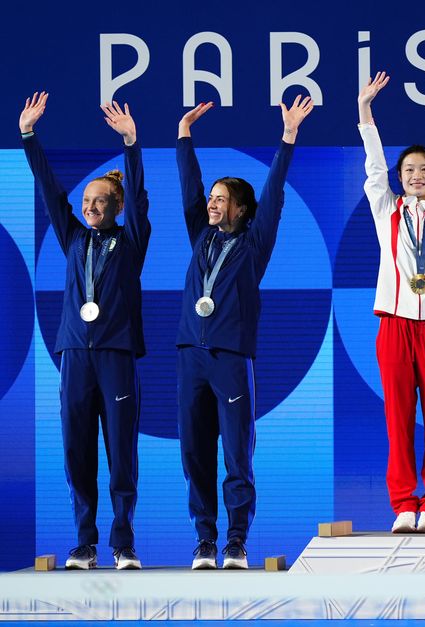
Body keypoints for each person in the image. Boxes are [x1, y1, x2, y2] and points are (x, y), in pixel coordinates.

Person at [176, 96, 313, 569]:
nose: (211, 203)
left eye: (221, 198)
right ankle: (205, 542)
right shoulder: (201, 236)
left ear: (238, 207)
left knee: (236, 453)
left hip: (232, 358)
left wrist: (288, 137)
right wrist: (184, 136)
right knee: (195, 454)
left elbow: (273, 194)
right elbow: (188, 190)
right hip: (190, 356)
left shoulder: (254, 245)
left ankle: (236, 541)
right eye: (211, 198)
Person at [19, 92, 150, 570]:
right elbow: (50, 189)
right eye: (87, 201)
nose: (90, 206)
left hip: (115, 353)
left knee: (120, 453)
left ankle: (123, 543)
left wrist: (131, 145)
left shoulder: (132, 240)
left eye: (100, 201)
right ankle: (84, 543)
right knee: (77, 451)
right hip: (74, 352)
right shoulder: (73, 236)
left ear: (115, 206)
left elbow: (138, 201)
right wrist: (29, 136)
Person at [358, 71, 425, 534]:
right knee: (397, 419)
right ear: (399, 180)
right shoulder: (387, 209)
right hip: (395, 324)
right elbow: (373, 165)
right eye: (410, 171)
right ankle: (404, 503)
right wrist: (365, 109)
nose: (418, 176)